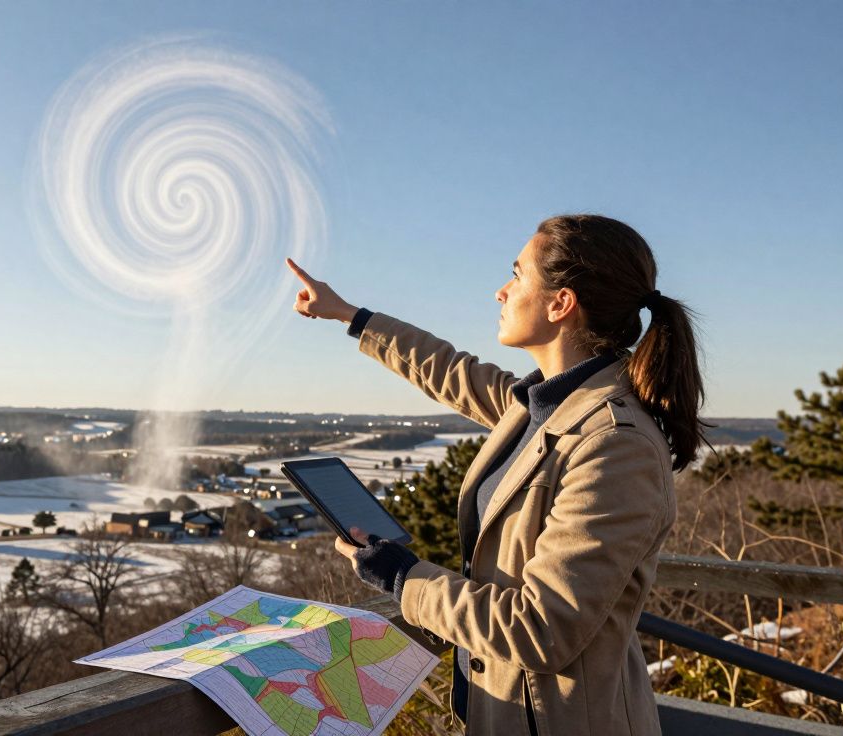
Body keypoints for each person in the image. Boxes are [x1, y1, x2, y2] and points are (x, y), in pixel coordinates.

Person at [285, 214, 703, 736]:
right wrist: (351, 316)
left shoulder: (615, 444)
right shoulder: (543, 406)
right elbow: (450, 371)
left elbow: (543, 628)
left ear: (561, 303)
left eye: (517, 274)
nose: (500, 291)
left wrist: (402, 575)